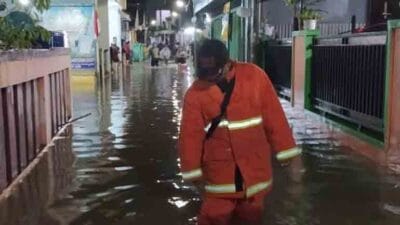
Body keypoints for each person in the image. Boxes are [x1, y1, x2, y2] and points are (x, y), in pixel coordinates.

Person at [178, 39, 302, 225]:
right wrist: (193, 174)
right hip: (219, 180)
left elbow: (275, 120)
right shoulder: (194, 94)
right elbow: (190, 138)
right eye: (204, 73)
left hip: (254, 178)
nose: (209, 78)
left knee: (252, 218)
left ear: (228, 64)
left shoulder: (255, 77)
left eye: (214, 73)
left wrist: (291, 159)